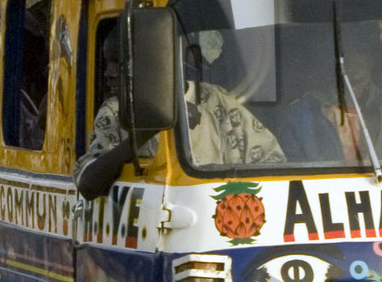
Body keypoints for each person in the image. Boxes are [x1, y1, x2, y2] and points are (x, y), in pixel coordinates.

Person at [76, 26, 283, 199]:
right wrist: (147, 132)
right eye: (108, 63)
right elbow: (88, 184)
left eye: (120, 64)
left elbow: (272, 160)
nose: (108, 74)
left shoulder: (214, 99)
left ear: (156, 62)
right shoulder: (115, 111)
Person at [285, 22, 382, 164]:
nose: (352, 60)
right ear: (330, 58)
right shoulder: (300, 118)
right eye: (343, 52)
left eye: (361, 50)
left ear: (375, 57)